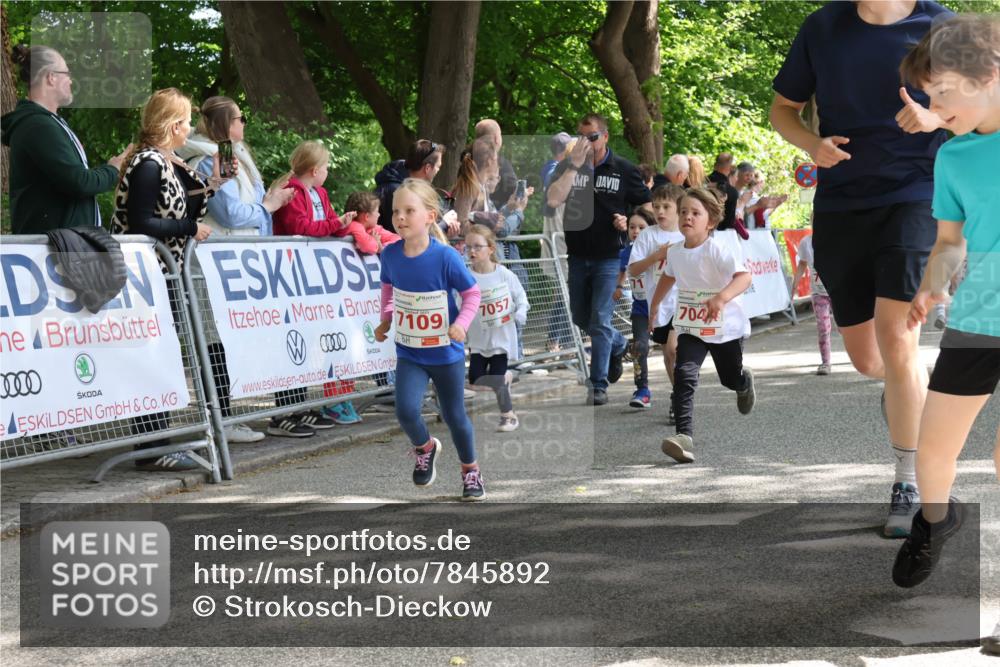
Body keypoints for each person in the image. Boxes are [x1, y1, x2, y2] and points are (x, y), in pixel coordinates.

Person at [770, 0, 952, 537]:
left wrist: (936, 116)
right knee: (870, 359)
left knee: (899, 340)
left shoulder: (939, 25)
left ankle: (906, 480)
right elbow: (784, 108)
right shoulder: (823, 27)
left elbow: (988, 104)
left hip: (917, 196)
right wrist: (812, 145)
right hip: (842, 204)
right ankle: (908, 393)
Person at [891, 14, 1000, 589]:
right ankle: (935, 522)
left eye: (942, 89)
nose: (935, 104)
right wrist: (931, 285)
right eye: (929, 94)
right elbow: (951, 241)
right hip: (980, 316)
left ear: (988, 74)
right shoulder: (953, 157)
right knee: (932, 456)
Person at [109, 88, 220, 471]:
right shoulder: (148, 163)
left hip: (162, 275)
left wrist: (208, 186)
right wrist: (190, 227)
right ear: (173, 125)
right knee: (153, 358)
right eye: (187, 121)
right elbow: (142, 222)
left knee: (164, 357)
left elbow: (180, 204)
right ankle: (152, 447)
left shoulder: (164, 161)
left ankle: (158, 442)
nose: (190, 128)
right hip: (145, 278)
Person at [177, 96, 296, 444]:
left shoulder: (235, 156)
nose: (245, 124)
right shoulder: (207, 157)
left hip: (239, 263)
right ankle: (220, 419)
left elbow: (250, 205)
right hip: (217, 263)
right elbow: (230, 213)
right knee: (215, 339)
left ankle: (228, 417)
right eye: (241, 118)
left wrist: (268, 201)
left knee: (231, 337)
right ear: (227, 123)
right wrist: (269, 207)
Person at [374, 179, 486, 501]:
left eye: (410, 210)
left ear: (430, 216)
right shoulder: (391, 255)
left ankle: (471, 471)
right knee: (406, 410)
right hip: (410, 351)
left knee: (453, 415)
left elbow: (471, 293)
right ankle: (425, 448)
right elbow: (387, 289)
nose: (400, 217)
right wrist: (386, 319)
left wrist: (462, 324)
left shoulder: (445, 257)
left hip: (445, 353)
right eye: (396, 211)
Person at [546, 113, 652, 405]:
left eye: (592, 137)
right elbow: (554, 199)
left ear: (605, 137)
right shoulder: (568, 167)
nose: (586, 143)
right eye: (581, 137)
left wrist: (630, 219)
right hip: (578, 255)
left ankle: (598, 385)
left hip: (609, 256)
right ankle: (618, 345)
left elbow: (648, 205)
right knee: (582, 317)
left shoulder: (623, 169)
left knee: (600, 317)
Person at [649, 187, 756, 464]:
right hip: (691, 326)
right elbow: (668, 278)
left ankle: (743, 383)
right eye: (683, 211)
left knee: (728, 378)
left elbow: (744, 278)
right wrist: (655, 304)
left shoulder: (717, 249)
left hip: (724, 327)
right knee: (684, 374)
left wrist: (720, 298)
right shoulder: (675, 252)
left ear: (709, 221)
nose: (687, 217)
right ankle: (683, 436)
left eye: (695, 213)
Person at [270, 140, 362, 435]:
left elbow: (328, 223)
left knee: (308, 340)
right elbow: (302, 227)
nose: (327, 172)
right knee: (291, 340)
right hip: (291, 274)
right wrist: (335, 225)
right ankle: (287, 408)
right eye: (325, 167)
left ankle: (301, 403)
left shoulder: (319, 192)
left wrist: (344, 225)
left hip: (313, 278)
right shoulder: (293, 192)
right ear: (314, 169)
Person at [2, 45, 131, 234]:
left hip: (61, 248)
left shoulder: (47, 123)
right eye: (67, 73)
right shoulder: (38, 126)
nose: (71, 81)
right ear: (51, 77)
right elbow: (79, 182)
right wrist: (112, 169)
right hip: (53, 252)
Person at [464, 224, 530, 432]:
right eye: (468, 247)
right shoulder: (467, 276)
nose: (472, 251)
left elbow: (521, 298)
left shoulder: (504, 275)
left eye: (477, 247)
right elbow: (459, 301)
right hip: (478, 339)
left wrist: (520, 313)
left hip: (501, 337)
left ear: (491, 249)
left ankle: (508, 416)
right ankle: (505, 379)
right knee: (475, 378)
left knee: (498, 379)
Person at [628, 184, 686, 420]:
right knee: (669, 353)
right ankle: (678, 393)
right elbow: (633, 270)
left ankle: (682, 396)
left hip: (685, 300)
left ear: (678, 208)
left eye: (666, 207)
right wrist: (656, 256)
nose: (660, 211)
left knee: (674, 348)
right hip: (659, 303)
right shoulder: (648, 235)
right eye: (657, 206)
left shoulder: (686, 232)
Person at [374, 139, 459, 236]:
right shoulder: (398, 192)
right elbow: (410, 237)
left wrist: (447, 226)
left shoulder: (404, 187)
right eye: (438, 166)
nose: (438, 170)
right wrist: (444, 225)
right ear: (427, 168)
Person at [613, 207, 653, 409]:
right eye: (632, 227)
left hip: (664, 309)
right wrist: (619, 287)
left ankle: (680, 390)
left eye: (641, 227)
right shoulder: (626, 252)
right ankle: (642, 390)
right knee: (640, 347)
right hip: (640, 310)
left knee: (674, 351)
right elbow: (622, 271)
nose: (636, 231)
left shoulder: (659, 249)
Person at [791, 234, 833, 375]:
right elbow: (802, 263)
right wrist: (795, 283)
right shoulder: (806, 243)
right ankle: (825, 362)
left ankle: (861, 357)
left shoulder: (837, 238)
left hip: (838, 293)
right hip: (818, 293)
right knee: (823, 328)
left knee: (845, 328)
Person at [475, 118, 518, 209]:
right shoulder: (499, 162)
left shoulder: (466, 158)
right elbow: (513, 190)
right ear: (496, 138)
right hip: (494, 215)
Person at [344, 191, 401, 255]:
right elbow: (369, 248)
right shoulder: (354, 226)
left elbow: (398, 239)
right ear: (367, 216)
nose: (379, 215)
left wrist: (382, 247)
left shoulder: (374, 229)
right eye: (377, 211)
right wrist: (375, 242)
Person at [707, 152, 742, 235]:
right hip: (723, 235)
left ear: (715, 164)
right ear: (730, 167)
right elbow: (729, 222)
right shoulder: (732, 191)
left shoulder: (702, 183)